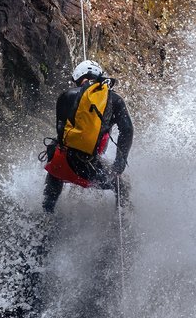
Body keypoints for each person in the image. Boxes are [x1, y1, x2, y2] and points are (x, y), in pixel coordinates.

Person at [42, 58, 134, 215]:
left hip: (61, 162)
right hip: (88, 168)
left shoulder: (66, 96)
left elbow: (60, 130)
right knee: (123, 186)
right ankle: (124, 224)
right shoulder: (114, 100)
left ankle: (46, 214)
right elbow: (127, 131)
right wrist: (119, 165)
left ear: (78, 78)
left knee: (55, 168)